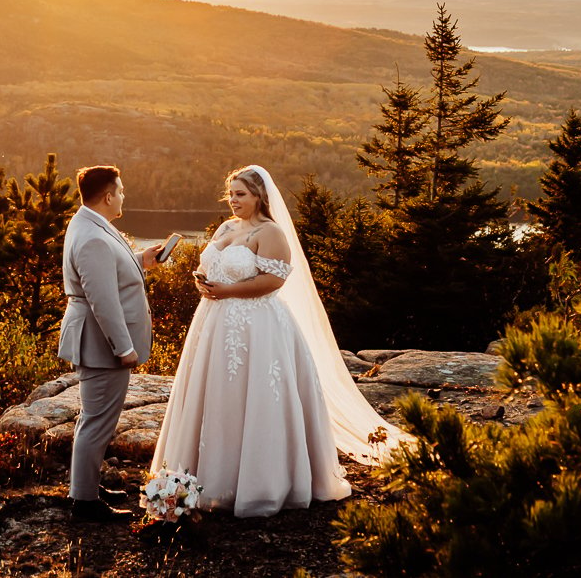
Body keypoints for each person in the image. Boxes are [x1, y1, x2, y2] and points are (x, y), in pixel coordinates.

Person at [148, 164, 405, 518]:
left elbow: (273, 281)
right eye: (231, 194)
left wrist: (228, 291)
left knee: (255, 396)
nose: (234, 200)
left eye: (241, 194)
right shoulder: (226, 227)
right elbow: (210, 268)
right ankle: (206, 477)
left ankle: (260, 483)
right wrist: (203, 284)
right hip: (213, 321)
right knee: (216, 395)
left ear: (259, 197)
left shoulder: (271, 232)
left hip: (257, 325)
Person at [56, 163, 162, 522]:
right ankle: (84, 503)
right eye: (121, 190)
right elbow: (103, 300)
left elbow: (105, 273)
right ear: (107, 196)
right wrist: (124, 347)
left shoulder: (89, 223)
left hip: (96, 340)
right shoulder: (94, 236)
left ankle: (86, 485)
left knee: (95, 417)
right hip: (102, 345)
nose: (123, 195)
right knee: (98, 420)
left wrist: (139, 261)